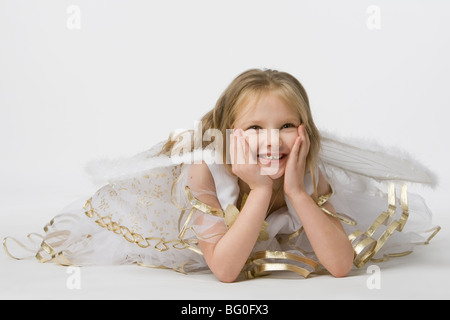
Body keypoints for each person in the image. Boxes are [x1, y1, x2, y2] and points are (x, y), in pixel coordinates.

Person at [3, 69, 440, 283]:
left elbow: (341, 266)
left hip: (279, 199)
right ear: (230, 134)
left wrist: (295, 193)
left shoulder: (308, 170)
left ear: (306, 129)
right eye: (255, 128)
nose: (274, 140)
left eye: (287, 125)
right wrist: (261, 190)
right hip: (181, 217)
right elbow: (226, 272)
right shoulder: (206, 171)